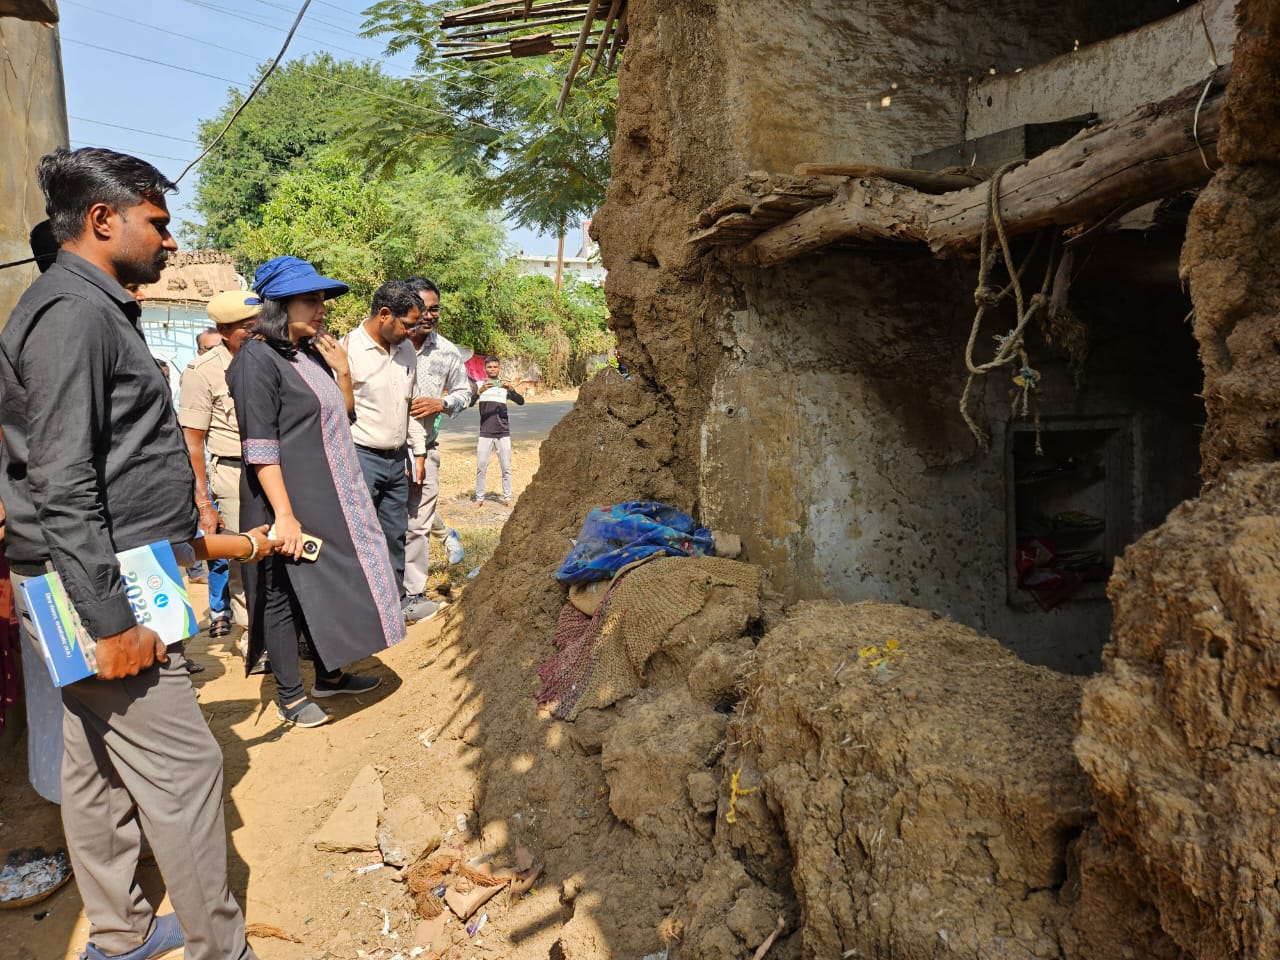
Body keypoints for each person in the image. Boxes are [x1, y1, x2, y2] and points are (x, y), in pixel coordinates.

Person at [0, 147, 260, 960]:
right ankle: (224, 949)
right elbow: (63, 480)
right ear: (103, 219)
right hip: (102, 582)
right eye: (159, 221)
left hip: (108, 569)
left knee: (95, 770)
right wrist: (111, 619)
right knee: (185, 774)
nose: (171, 241)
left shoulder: (90, 307)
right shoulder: (70, 315)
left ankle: (118, 934)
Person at [227, 256, 406, 729]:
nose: (321, 308)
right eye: (310, 299)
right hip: (281, 501)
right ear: (278, 305)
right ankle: (290, 696)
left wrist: (342, 370)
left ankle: (330, 675)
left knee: (323, 586)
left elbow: (338, 417)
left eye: (322, 298)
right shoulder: (255, 360)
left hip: (323, 497)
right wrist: (284, 516)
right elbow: (260, 450)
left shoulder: (305, 354)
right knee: (282, 594)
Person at [180, 292, 259, 652]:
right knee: (245, 554)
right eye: (248, 327)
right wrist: (204, 502)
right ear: (223, 330)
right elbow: (193, 442)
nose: (257, 331)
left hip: (278, 468)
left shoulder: (269, 356)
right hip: (232, 474)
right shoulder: (202, 373)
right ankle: (252, 634)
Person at [343, 281, 425, 613]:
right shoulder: (345, 350)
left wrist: (417, 450)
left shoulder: (406, 351)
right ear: (385, 315)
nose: (412, 332)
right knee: (356, 537)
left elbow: (411, 404)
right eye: (407, 325)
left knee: (393, 534)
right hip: (360, 457)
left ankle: (393, 605)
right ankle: (353, 610)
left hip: (397, 460)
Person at [403, 276, 469, 614]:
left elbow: (464, 391)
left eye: (435, 309)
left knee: (418, 524)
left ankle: (412, 596)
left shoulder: (446, 352)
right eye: (422, 309)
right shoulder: (388, 343)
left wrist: (441, 404)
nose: (429, 316)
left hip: (426, 451)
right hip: (380, 451)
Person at [470, 355, 525, 504]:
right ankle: (479, 498)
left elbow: (521, 402)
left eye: (495, 367)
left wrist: (512, 390)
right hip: (485, 433)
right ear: (485, 369)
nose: (493, 369)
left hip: (503, 432)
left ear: (499, 368)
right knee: (481, 467)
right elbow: (469, 403)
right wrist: (480, 391)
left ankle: (507, 498)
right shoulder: (480, 384)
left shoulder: (503, 385)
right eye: (490, 367)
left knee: (506, 468)